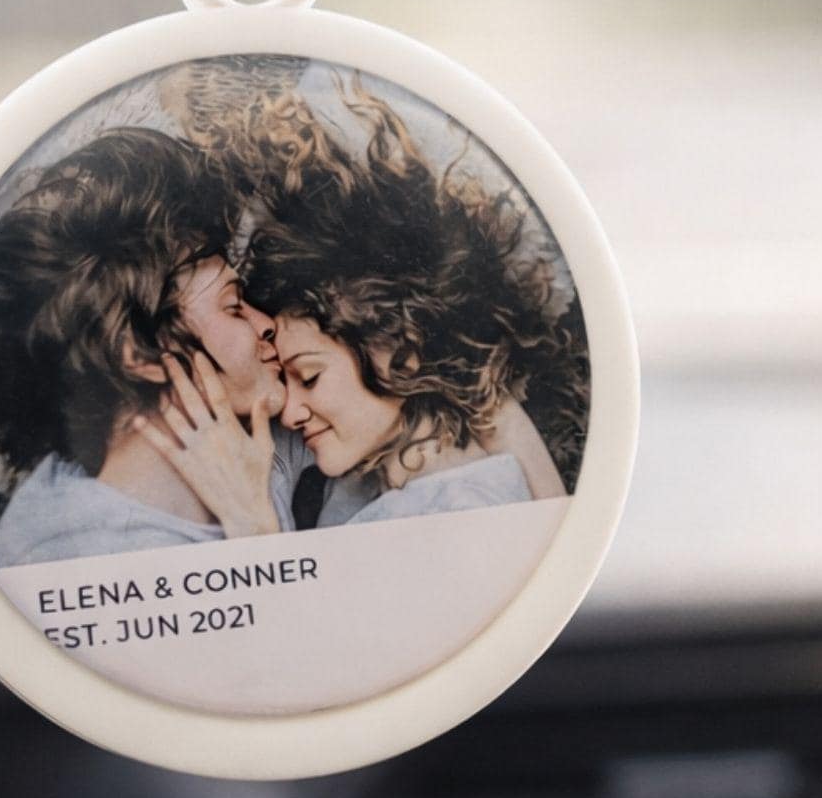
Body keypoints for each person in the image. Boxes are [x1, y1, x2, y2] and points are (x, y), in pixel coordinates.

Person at [235, 82, 590, 526]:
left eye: (309, 376)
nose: (289, 411)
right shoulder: (380, 467)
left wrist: (248, 519)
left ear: (401, 351)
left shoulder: (454, 514)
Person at [0, 129, 296, 568]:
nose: (266, 323)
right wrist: (256, 532)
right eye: (232, 307)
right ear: (142, 354)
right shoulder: (78, 557)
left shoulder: (260, 443)